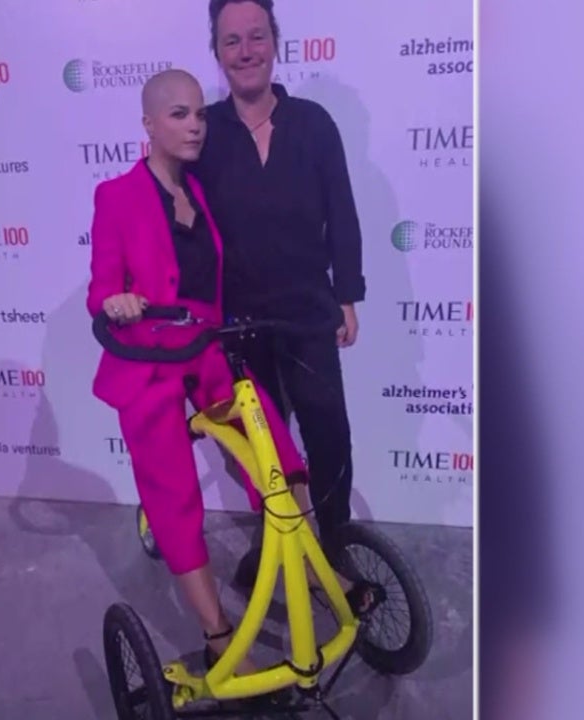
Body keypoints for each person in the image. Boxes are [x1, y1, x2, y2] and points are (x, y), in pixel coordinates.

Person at [86, 69, 379, 678]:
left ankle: (314, 572)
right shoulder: (116, 195)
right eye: (178, 115)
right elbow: (101, 287)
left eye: (199, 113)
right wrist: (117, 301)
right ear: (148, 125)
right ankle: (218, 632)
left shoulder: (203, 190)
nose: (195, 125)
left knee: (275, 452)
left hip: (205, 347)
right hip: (146, 360)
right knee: (173, 492)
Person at [193, 0, 364, 587]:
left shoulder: (314, 124)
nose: (246, 51)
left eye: (257, 36)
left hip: (308, 312)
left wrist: (347, 295)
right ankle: (277, 538)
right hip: (235, 324)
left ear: (275, 41)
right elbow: (179, 215)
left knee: (329, 435)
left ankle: (334, 546)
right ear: (217, 52)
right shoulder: (204, 133)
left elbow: (342, 212)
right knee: (261, 451)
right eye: (232, 41)